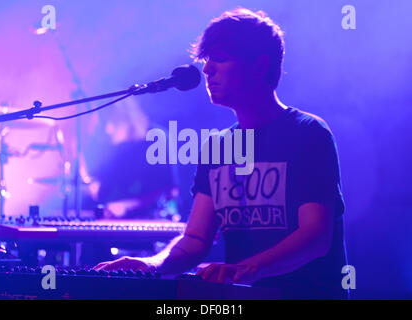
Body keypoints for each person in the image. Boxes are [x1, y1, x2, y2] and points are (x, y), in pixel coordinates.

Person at [94, 8, 348, 300]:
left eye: (220, 57)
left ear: (260, 65)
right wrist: (150, 265)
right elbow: (195, 240)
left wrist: (244, 269)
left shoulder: (308, 133)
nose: (206, 70)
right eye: (206, 59)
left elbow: (315, 237)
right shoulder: (218, 147)